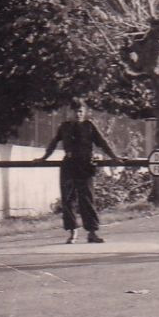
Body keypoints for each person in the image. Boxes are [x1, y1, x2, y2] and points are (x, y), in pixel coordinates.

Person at [40, 99, 117, 244]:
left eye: (81, 111)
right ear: (69, 112)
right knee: (68, 199)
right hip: (69, 165)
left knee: (87, 199)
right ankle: (72, 232)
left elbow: (102, 143)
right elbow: (53, 143)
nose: (78, 114)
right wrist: (43, 158)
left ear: (85, 112)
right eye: (75, 111)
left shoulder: (89, 126)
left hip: (85, 165)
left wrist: (115, 157)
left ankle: (92, 232)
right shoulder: (64, 127)